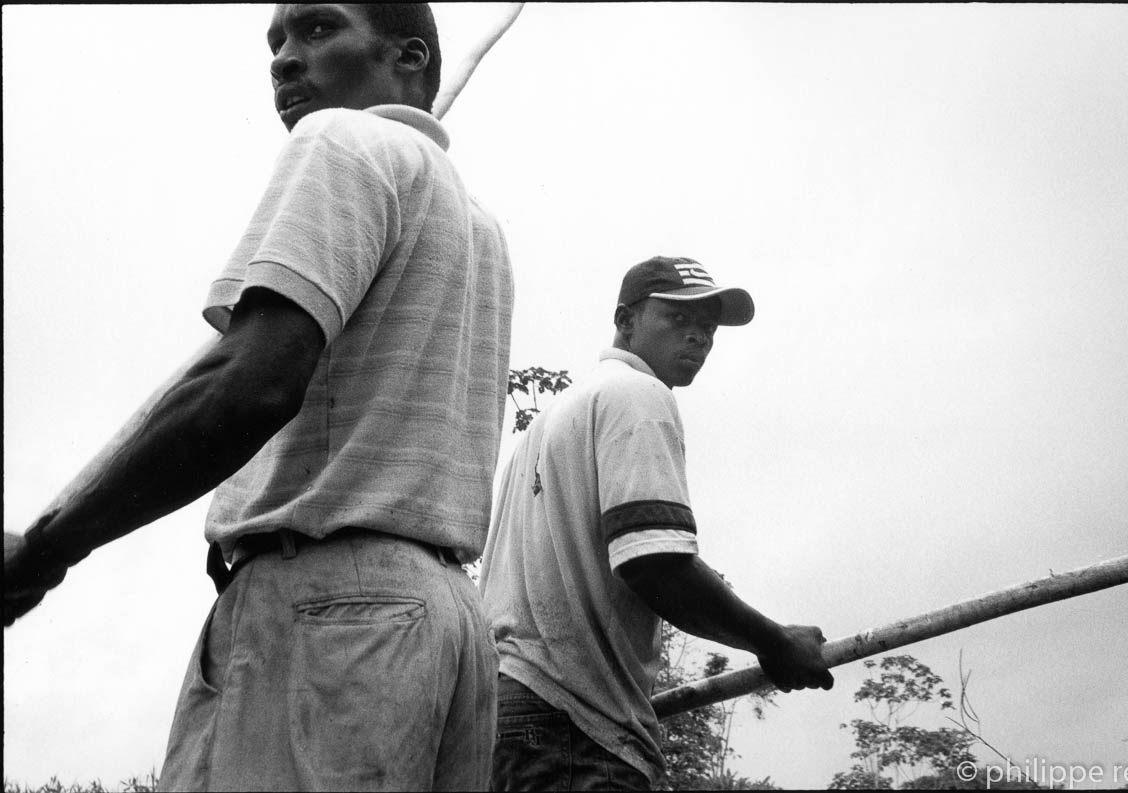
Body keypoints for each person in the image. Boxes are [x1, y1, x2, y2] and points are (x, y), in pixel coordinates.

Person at [4, 4, 513, 790]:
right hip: (444, 622)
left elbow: (251, 383)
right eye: (276, 41)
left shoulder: (341, 141)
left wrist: (47, 549)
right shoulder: (477, 226)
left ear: (408, 57)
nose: (283, 58)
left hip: (330, 617)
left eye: (317, 30)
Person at [479, 256, 834, 790]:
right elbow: (654, 565)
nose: (699, 337)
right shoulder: (637, 396)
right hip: (575, 720)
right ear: (626, 321)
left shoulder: (554, 418)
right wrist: (776, 643)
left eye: (708, 327)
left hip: (508, 711)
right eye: (678, 318)